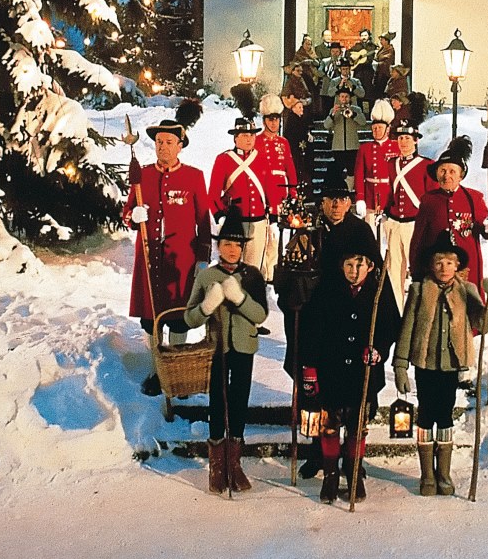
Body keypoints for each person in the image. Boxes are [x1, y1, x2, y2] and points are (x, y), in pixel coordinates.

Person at [276, 165, 379, 479]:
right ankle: (318, 451)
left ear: (349, 202)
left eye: (341, 199)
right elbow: (288, 275)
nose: (336, 205)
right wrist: (292, 295)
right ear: (321, 203)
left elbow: (375, 275)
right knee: (314, 389)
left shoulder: (361, 232)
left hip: (351, 320)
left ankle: (351, 456)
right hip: (315, 321)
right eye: (330, 199)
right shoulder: (308, 233)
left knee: (353, 394)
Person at [393, 232, 488, 496]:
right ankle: (427, 475)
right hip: (425, 364)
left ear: (458, 267)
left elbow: (482, 323)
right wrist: (400, 365)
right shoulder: (419, 291)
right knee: (426, 413)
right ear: (431, 265)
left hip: (451, 364)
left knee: (444, 414)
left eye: (449, 263)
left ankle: (443, 473)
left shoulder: (467, 291)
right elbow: (407, 328)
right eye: (439, 263)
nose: (444, 268)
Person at [300, 241, 400, 503]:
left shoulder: (378, 294)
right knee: (330, 426)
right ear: (341, 266)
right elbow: (312, 333)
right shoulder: (327, 292)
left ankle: (354, 474)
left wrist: (378, 350)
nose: (354, 271)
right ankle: (331, 476)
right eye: (349, 265)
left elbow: (389, 328)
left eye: (360, 265)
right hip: (331, 373)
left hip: (362, 376)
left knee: (357, 429)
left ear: (370, 267)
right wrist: (310, 369)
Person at [124, 102, 211, 395]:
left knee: (177, 316)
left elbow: (204, 221)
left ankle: (178, 369)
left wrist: (202, 257)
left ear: (180, 145)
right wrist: (134, 217)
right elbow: (126, 213)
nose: (163, 147)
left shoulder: (194, 176)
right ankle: (157, 371)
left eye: (169, 142)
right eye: (159, 142)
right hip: (149, 259)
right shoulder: (143, 176)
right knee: (151, 320)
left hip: (181, 261)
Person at [184, 204, 268, 494]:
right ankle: (216, 468)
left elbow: (260, 315)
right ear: (219, 246)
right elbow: (189, 316)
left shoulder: (253, 276)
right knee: (218, 401)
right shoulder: (207, 276)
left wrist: (239, 297)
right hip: (217, 347)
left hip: (244, 346)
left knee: (239, 400)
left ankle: (235, 464)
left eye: (237, 244)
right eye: (227, 244)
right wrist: (208, 305)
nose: (232, 250)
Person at [410, 135, 488, 297]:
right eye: (442, 171)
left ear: (461, 175)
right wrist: (416, 270)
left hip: (467, 270)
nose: (447, 176)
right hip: (437, 270)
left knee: (469, 309)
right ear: (436, 174)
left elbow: (487, 232)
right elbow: (418, 239)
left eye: (452, 171)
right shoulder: (429, 200)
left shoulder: (473, 198)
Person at [209, 117, 279, 272]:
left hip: (259, 221)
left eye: (252, 135)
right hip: (235, 223)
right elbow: (212, 194)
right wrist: (220, 216)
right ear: (235, 138)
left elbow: (271, 190)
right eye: (245, 135)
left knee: (254, 270)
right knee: (232, 269)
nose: (250, 139)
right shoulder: (224, 159)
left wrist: (273, 217)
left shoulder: (261, 158)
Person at [382, 117, 433, 313]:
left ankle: (417, 311)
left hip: (414, 224)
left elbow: (430, 198)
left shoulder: (426, 165)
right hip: (395, 222)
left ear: (416, 141)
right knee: (395, 270)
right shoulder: (391, 163)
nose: (403, 143)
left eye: (407, 139)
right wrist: (386, 212)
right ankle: (396, 312)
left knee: (417, 269)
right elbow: (390, 192)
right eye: (400, 138)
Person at [256, 92, 298, 283]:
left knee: (276, 235)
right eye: (270, 120)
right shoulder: (256, 141)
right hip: (263, 191)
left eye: (276, 120)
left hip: (280, 192)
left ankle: (272, 272)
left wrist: (293, 192)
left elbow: (290, 168)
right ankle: (260, 271)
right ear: (264, 120)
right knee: (263, 234)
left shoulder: (284, 143)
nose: (274, 124)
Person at [354, 98, 397, 230]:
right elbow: (359, 175)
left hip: (389, 198)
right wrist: (360, 198)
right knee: (370, 236)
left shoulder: (396, 147)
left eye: (380, 128)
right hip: (370, 196)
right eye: (374, 128)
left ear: (388, 129)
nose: (376, 130)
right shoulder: (365, 148)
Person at [324, 87, 368, 177]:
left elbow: (363, 122)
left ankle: (351, 188)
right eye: (342, 96)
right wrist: (332, 114)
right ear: (339, 98)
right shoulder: (333, 110)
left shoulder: (356, 109)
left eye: (346, 96)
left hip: (352, 146)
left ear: (350, 98)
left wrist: (353, 114)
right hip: (338, 146)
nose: (344, 99)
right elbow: (326, 125)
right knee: (338, 171)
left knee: (352, 170)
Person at [372, 32, 396, 100]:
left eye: (382, 40)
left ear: (387, 41)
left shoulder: (390, 50)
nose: (381, 41)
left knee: (382, 93)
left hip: (384, 74)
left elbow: (387, 62)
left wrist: (378, 64)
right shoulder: (381, 49)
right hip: (378, 73)